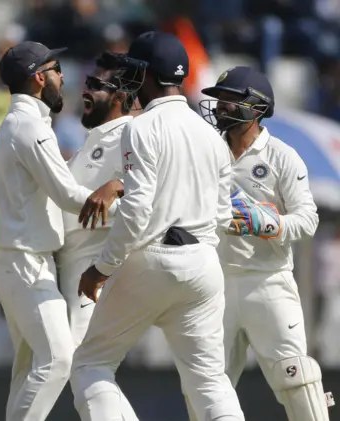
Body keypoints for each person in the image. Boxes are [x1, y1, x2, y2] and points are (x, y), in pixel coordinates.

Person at [70, 31, 245, 421]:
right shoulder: (212, 135)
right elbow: (221, 214)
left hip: (150, 259)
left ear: (145, 74)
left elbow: (136, 211)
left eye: (133, 71)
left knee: (90, 364)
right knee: (210, 381)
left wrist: (102, 268)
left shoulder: (140, 127)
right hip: (202, 264)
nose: (130, 80)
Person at [0, 41, 123, 421]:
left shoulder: (21, 124)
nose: (63, 77)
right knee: (58, 359)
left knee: (30, 368)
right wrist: (123, 202)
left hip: (18, 259)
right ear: (39, 78)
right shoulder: (30, 126)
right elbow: (68, 194)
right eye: (57, 69)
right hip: (25, 262)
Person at [188, 65, 334, 421]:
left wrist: (266, 222)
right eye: (218, 100)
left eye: (229, 100)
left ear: (257, 107)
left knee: (296, 378)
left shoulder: (283, 157)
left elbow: (307, 220)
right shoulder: (208, 152)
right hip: (215, 284)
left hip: (267, 282)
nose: (220, 106)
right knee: (206, 384)